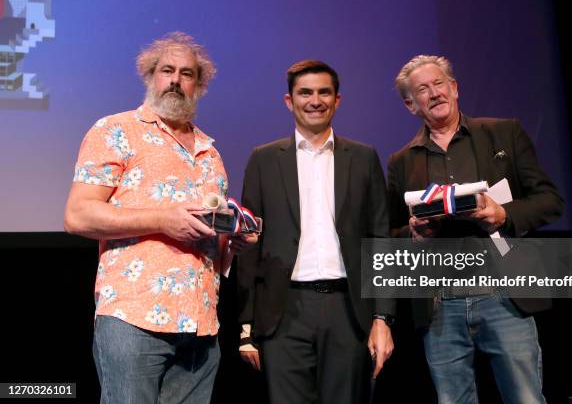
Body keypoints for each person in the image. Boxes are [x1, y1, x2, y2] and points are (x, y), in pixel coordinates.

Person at [64, 32, 256, 404]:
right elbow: (78, 215)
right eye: (166, 70)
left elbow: (205, 239)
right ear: (150, 76)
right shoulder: (115, 130)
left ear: (198, 85)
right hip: (134, 318)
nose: (175, 80)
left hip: (201, 324)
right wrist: (162, 220)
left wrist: (234, 241)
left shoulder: (209, 152)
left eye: (187, 74)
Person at [388, 54, 564, 403]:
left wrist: (504, 215)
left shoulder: (503, 133)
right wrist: (414, 233)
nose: (434, 93)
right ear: (410, 104)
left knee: (526, 398)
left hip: (505, 295)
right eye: (423, 89)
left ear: (454, 88)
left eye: (439, 84)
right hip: (441, 306)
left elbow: (549, 200)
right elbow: (390, 234)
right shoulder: (401, 162)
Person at [236, 60, 395, 404]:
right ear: (289, 101)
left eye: (324, 92)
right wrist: (246, 325)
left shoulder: (364, 157)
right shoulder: (263, 159)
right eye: (305, 92)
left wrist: (383, 317)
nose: (315, 100)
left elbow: (380, 239)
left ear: (338, 100)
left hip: (348, 310)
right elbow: (250, 245)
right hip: (283, 313)